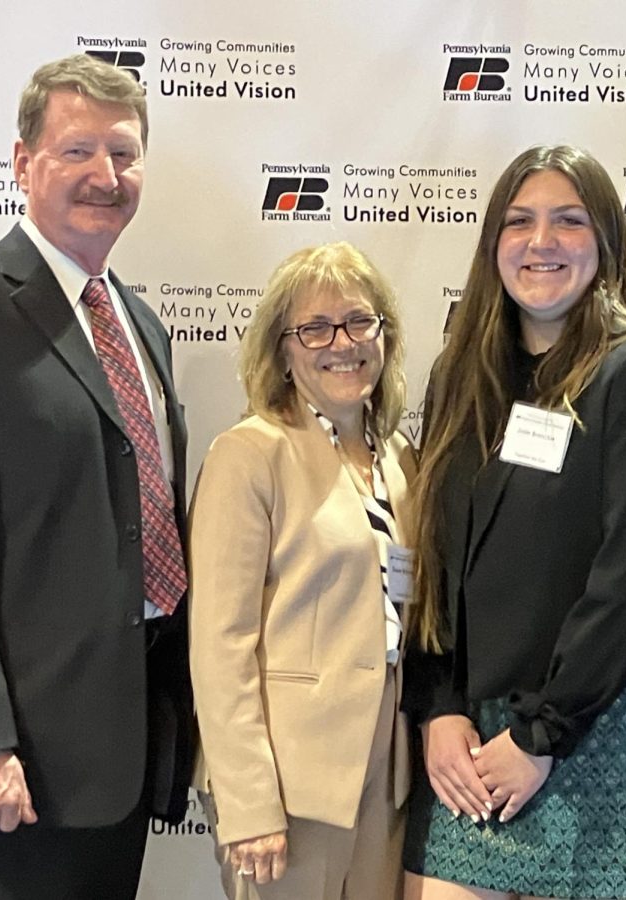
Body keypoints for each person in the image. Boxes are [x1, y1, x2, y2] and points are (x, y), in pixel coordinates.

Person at [0, 54, 193, 899]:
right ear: (23, 164)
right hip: (3, 778)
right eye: (77, 151)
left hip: (117, 761)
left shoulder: (142, 326)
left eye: (124, 155)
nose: (106, 175)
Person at [402, 144, 626, 900]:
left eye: (568, 221)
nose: (541, 242)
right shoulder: (462, 379)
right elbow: (435, 563)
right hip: (470, 746)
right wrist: (437, 710)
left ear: (604, 243)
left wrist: (541, 735)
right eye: (520, 221)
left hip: (599, 736)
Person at [189, 241, 416, 900]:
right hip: (288, 789)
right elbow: (220, 644)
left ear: (385, 336)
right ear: (282, 350)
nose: (340, 342)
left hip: (386, 782)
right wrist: (249, 802)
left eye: (358, 321)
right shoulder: (248, 455)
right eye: (314, 327)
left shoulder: (398, 458)